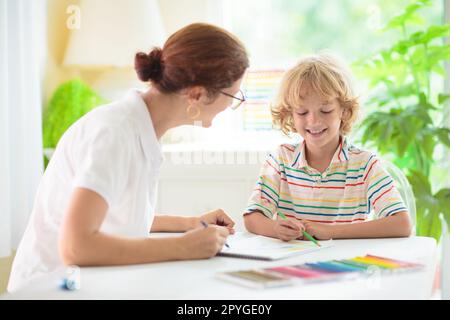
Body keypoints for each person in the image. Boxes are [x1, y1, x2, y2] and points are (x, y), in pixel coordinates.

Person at [8, 23, 249, 292]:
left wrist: (189, 224)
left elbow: (117, 217)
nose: (232, 104)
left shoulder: (141, 127)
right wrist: (183, 246)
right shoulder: (114, 133)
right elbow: (76, 247)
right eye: (233, 95)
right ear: (196, 94)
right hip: (51, 289)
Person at [243, 53, 411, 242]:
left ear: (344, 111)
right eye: (302, 112)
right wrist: (275, 228)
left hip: (347, 266)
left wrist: (329, 231)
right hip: (291, 264)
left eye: (325, 110)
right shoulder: (280, 160)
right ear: (291, 114)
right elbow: (252, 217)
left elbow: (402, 224)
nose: (313, 121)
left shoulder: (364, 165)